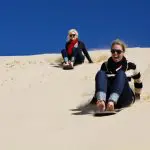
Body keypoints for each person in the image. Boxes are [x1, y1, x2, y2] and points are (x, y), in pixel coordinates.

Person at [91, 39, 143, 111]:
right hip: (108, 96)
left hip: (125, 97)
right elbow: (101, 83)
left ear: (123, 52)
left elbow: (138, 81)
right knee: (100, 73)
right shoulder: (105, 65)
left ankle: (112, 102)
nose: (115, 53)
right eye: (113, 51)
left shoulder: (131, 66)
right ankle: (101, 102)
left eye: (118, 51)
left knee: (121, 73)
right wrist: (94, 99)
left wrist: (137, 96)